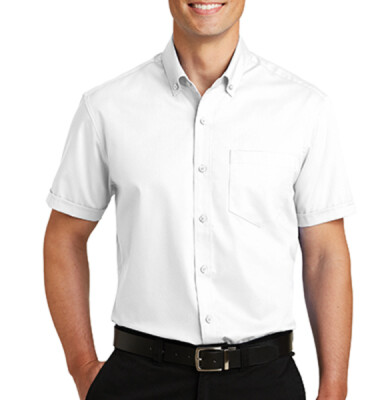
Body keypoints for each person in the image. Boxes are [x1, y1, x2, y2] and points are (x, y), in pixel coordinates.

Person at [43, 1, 356, 399]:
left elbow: (325, 254)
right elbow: (64, 237)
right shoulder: (106, 107)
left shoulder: (304, 109)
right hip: (140, 379)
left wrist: (335, 386)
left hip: (264, 382)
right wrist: (82, 366)